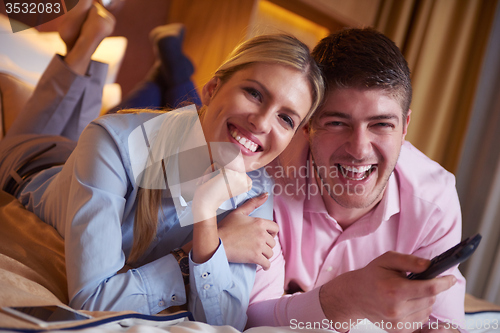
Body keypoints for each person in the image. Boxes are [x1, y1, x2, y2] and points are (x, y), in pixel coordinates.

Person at [0, 1, 324, 331]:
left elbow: (225, 324)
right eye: (254, 93)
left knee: (83, 130)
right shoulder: (112, 141)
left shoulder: (256, 191)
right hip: (32, 165)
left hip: (90, 159)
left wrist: (207, 225)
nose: (261, 122)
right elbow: (93, 303)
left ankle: (102, 50)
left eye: (286, 118)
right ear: (211, 89)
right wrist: (205, 253)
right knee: (18, 105)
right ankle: (81, 47)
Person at [245, 28, 465, 333]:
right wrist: (345, 301)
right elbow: (249, 317)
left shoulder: (434, 199)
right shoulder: (266, 170)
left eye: (381, 124)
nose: (359, 150)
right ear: (308, 125)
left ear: (405, 126)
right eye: (337, 122)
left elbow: (446, 322)